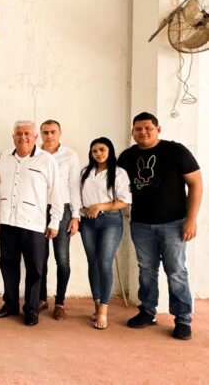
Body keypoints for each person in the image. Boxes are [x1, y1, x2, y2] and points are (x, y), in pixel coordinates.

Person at [118, 112, 202, 340]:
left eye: (148, 128)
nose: (143, 132)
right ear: (132, 132)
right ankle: (147, 311)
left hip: (174, 224)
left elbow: (196, 184)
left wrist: (191, 219)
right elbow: (118, 186)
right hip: (141, 224)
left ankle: (183, 319)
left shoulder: (176, 151)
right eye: (138, 129)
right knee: (146, 270)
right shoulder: (127, 157)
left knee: (176, 271)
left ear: (158, 129)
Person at [0, 120, 63, 326]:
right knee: (7, 264)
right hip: (7, 221)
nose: (23, 137)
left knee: (35, 269)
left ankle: (31, 309)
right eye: (19, 134)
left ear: (35, 137)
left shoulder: (47, 160)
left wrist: (55, 221)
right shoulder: (5, 157)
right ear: (13, 137)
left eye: (27, 134)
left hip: (34, 224)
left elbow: (57, 192)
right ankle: (10, 304)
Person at [79, 137, 131, 329]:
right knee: (92, 262)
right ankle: (96, 303)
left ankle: (103, 310)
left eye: (102, 149)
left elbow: (125, 201)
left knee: (105, 263)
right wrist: (83, 212)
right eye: (94, 151)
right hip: (87, 222)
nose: (98, 153)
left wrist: (100, 206)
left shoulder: (119, 172)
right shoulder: (85, 172)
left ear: (110, 151)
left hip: (110, 221)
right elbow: (79, 196)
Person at [38, 120, 81, 319]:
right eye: (45, 132)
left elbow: (74, 186)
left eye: (53, 132)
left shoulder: (70, 155)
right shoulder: (34, 154)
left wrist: (75, 216)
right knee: (40, 258)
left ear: (60, 133)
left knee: (62, 259)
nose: (49, 136)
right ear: (40, 134)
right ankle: (41, 298)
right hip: (38, 210)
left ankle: (60, 302)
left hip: (63, 210)